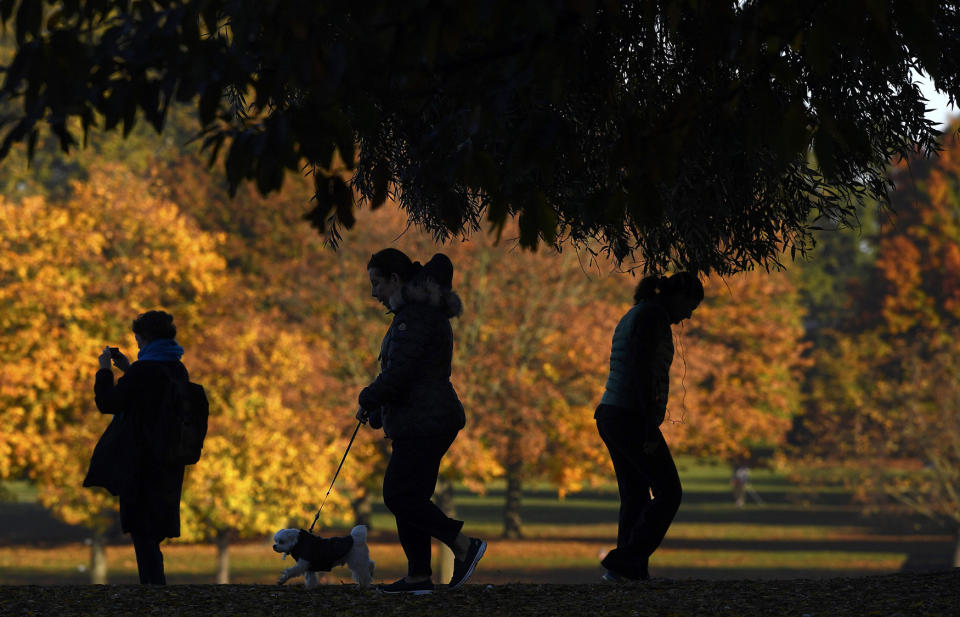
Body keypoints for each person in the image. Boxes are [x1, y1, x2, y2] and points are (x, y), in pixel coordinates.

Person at [357, 248, 485, 594]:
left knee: (398, 494)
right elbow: (409, 375)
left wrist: (370, 396)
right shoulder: (420, 314)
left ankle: (462, 545)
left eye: (376, 283)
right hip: (424, 418)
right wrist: (380, 407)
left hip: (425, 421)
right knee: (410, 496)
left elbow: (401, 372)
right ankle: (418, 577)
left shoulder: (413, 317)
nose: (373, 293)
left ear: (395, 280)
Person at [595, 271, 704, 582]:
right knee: (670, 491)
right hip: (629, 416)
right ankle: (626, 560)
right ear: (677, 296)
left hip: (612, 414)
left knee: (635, 495)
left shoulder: (637, 312)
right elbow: (641, 372)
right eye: (690, 307)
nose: (687, 317)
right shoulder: (653, 316)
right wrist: (647, 428)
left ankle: (629, 573)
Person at [83, 310, 190, 585]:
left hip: (140, 461)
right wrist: (128, 369)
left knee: (142, 528)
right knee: (153, 528)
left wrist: (104, 370)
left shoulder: (146, 371)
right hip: (168, 460)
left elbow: (108, 402)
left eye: (139, 338)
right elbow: (152, 396)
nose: (138, 344)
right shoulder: (176, 367)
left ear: (147, 338)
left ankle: (154, 591)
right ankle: (156, 587)